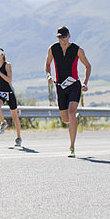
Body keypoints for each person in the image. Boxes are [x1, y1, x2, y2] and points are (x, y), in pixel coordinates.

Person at [45, 26, 91, 158]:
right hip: (60, 87)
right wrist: (49, 75)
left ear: (69, 36)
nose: (62, 39)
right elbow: (47, 64)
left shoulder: (77, 50)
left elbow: (88, 66)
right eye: (60, 37)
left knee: (71, 112)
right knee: (66, 119)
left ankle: (72, 147)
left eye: (64, 37)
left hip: (74, 86)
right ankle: (76, 119)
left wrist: (85, 83)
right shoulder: (52, 49)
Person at [0, 47, 22, 147]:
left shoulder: (7, 65)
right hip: (0, 92)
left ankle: (18, 137)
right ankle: (3, 122)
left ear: (2, 55)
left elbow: (9, 80)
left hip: (9, 93)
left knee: (14, 116)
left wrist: (0, 73)